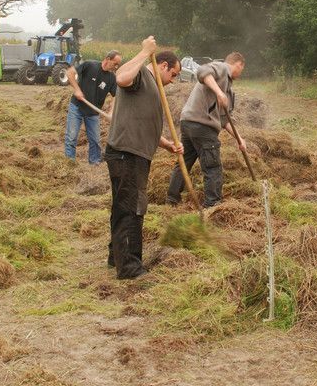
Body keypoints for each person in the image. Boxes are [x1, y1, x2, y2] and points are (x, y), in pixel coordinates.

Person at [105, 37, 183, 279]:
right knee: (132, 209)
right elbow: (121, 78)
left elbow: (142, 122)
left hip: (135, 153)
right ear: (163, 66)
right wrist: (144, 51)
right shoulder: (141, 76)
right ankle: (129, 268)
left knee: (123, 206)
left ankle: (115, 256)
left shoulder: (154, 86)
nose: (174, 80)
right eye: (174, 74)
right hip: (127, 153)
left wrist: (166, 144)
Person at [166, 52, 246, 208]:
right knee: (212, 166)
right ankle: (213, 205)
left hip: (189, 123)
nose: (241, 73)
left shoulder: (228, 88)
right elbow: (202, 71)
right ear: (238, 64)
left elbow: (223, 120)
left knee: (184, 162)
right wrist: (218, 92)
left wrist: (239, 139)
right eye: (242, 69)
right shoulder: (222, 68)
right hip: (203, 126)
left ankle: (172, 199)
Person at [64, 51, 122, 164]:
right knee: (71, 137)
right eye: (115, 63)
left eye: (118, 65)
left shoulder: (111, 78)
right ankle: (69, 162)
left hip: (93, 112)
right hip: (77, 107)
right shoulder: (90, 65)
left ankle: (94, 161)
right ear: (107, 59)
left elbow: (116, 96)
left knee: (95, 140)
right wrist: (77, 89)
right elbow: (69, 73)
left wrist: (111, 112)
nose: (116, 67)